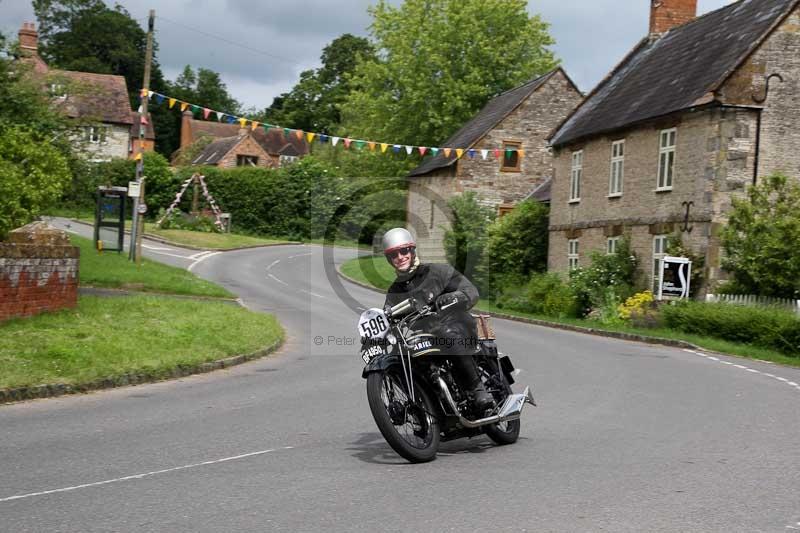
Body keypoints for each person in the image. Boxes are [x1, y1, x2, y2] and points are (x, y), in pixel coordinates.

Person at [381, 227, 494, 411]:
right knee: (399, 355)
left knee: (445, 334)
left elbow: (470, 292)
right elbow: (386, 315)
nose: (400, 257)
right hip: (426, 339)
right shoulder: (395, 292)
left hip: (457, 327)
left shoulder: (438, 272)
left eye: (404, 251)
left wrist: (451, 297)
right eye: (394, 254)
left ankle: (477, 388)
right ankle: (426, 406)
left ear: (412, 250)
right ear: (389, 259)